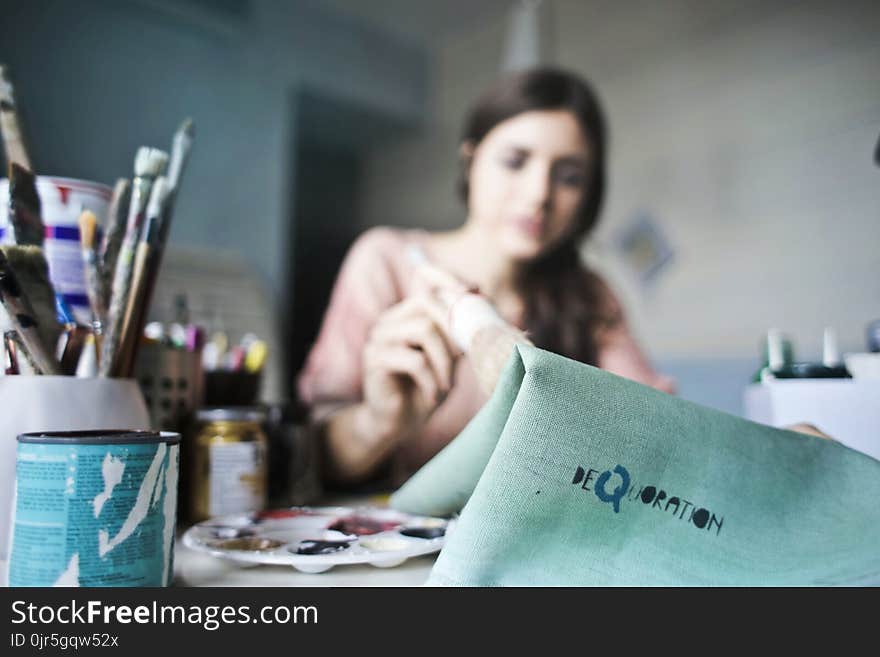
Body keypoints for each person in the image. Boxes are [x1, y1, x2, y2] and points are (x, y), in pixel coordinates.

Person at [296, 67, 675, 487]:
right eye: (515, 162)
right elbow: (317, 459)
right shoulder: (386, 260)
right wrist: (378, 423)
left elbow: (656, 434)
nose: (538, 195)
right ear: (470, 160)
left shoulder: (589, 297)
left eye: (569, 177)